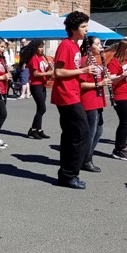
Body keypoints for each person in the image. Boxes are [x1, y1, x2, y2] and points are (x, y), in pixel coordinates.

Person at [51, 12, 96, 189]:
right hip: (66, 96)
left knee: (72, 135)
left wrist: (84, 70)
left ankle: (67, 174)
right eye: (84, 27)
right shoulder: (66, 45)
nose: (87, 30)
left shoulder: (75, 47)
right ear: (73, 28)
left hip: (73, 94)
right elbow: (58, 72)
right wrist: (83, 70)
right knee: (80, 134)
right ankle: (70, 174)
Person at [79, 36, 110, 173]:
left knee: (99, 130)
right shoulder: (85, 61)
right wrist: (100, 83)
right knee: (91, 132)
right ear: (89, 47)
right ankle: (86, 160)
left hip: (98, 99)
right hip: (89, 99)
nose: (100, 46)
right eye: (97, 44)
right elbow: (81, 84)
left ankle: (87, 156)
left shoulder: (96, 61)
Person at [22, 40, 53, 138]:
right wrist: (48, 73)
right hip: (36, 85)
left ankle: (39, 129)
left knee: (40, 108)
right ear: (35, 48)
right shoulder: (33, 58)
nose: (41, 49)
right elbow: (35, 74)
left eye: (42, 47)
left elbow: (42, 70)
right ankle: (33, 129)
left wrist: (49, 68)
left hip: (42, 84)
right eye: (40, 47)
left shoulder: (41, 58)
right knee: (42, 108)